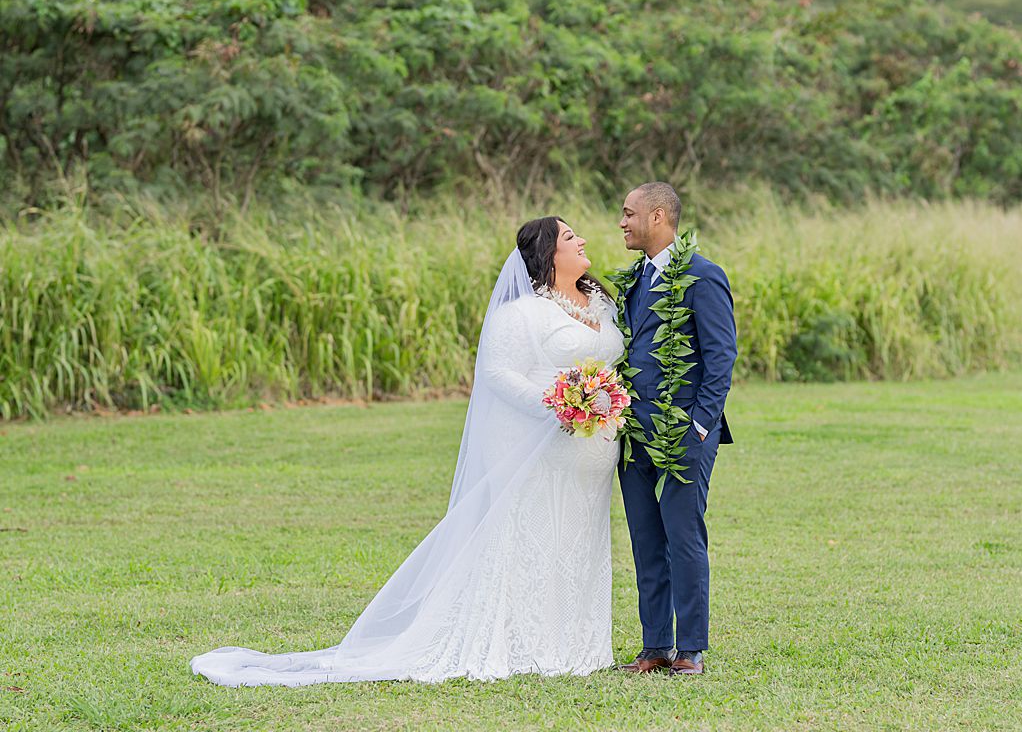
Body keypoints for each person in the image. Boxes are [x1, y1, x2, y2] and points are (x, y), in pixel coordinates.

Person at [190, 217, 623, 686]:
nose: (580, 240)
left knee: (578, 543)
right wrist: (556, 407)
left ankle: (576, 642)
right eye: (568, 236)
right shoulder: (520, 314)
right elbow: (498, 375)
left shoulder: (601, 305)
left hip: (595, 455)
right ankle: (525, 642)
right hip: (542, 451)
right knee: (535, 541)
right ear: (546, 254)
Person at [616, 182, 737, 676]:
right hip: (632, 435)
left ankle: (690, 648)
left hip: (685, 433)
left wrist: (701, 426)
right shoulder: (631, 281)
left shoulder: (703, 277)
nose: (621, 222)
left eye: (628, 213)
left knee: (683, 537)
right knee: (646, 540)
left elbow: (721, 356)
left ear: (659, 216)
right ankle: (654, 646)